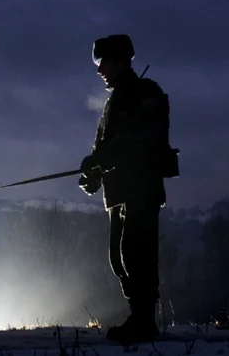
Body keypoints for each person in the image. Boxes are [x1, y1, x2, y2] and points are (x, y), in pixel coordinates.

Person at [78, 34, 179, 343]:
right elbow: (107, 149)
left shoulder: (146, 94)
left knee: (137, 254)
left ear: (121, 61)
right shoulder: (115, 102)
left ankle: (144, 321)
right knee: (119, 258)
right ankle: (138, 316)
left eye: (104, 62)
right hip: (119, 192)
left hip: (142, 188)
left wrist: (100, 159)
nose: (99, 70)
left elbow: (139, 140)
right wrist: (94, 173)